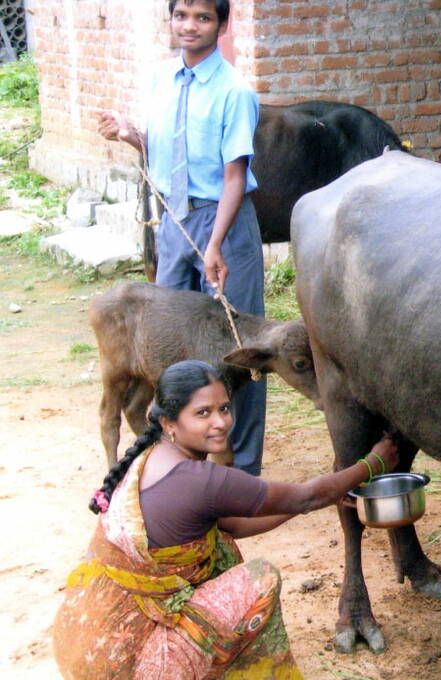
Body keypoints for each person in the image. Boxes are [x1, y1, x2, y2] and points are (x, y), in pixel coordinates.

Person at [53, 360, 399, 679]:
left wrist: (321, 498)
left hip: (89, 636)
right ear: (169, 422)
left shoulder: (150, 457)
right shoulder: (201, 480)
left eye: (223, 408)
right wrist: (373, 463)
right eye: (202, 413)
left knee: (220, 545)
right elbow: (306, 495)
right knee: (259, 578)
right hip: (132, 661)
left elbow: (230, 526)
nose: (220, 422)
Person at [97, 0, 267, 476]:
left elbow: (235, 176)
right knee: (168, 341)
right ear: (170, 20)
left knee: (240, 348)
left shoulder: (234, 91)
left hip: (224, 224)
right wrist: (130, 134)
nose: (190, 26)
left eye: (203, 17)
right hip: (174, 219)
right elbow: (164, 151)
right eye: (181, 16)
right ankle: (180, 458)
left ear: (221, 25)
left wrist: (214, 244)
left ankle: (242, 470)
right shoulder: (160, 80)